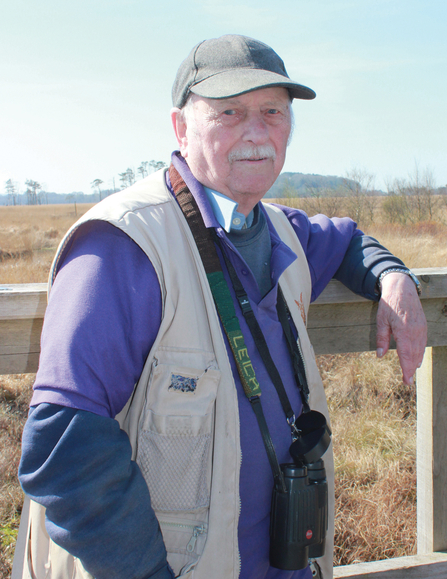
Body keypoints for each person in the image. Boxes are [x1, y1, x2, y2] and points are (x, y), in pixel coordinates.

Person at [14, 35, 426, 579]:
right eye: (229, 112)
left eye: (273, 112)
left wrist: (393, 277)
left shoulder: (279, 227)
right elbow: (64, 450)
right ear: (181, 128)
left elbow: (350, 241)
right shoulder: (122, 247)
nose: (256, 133)